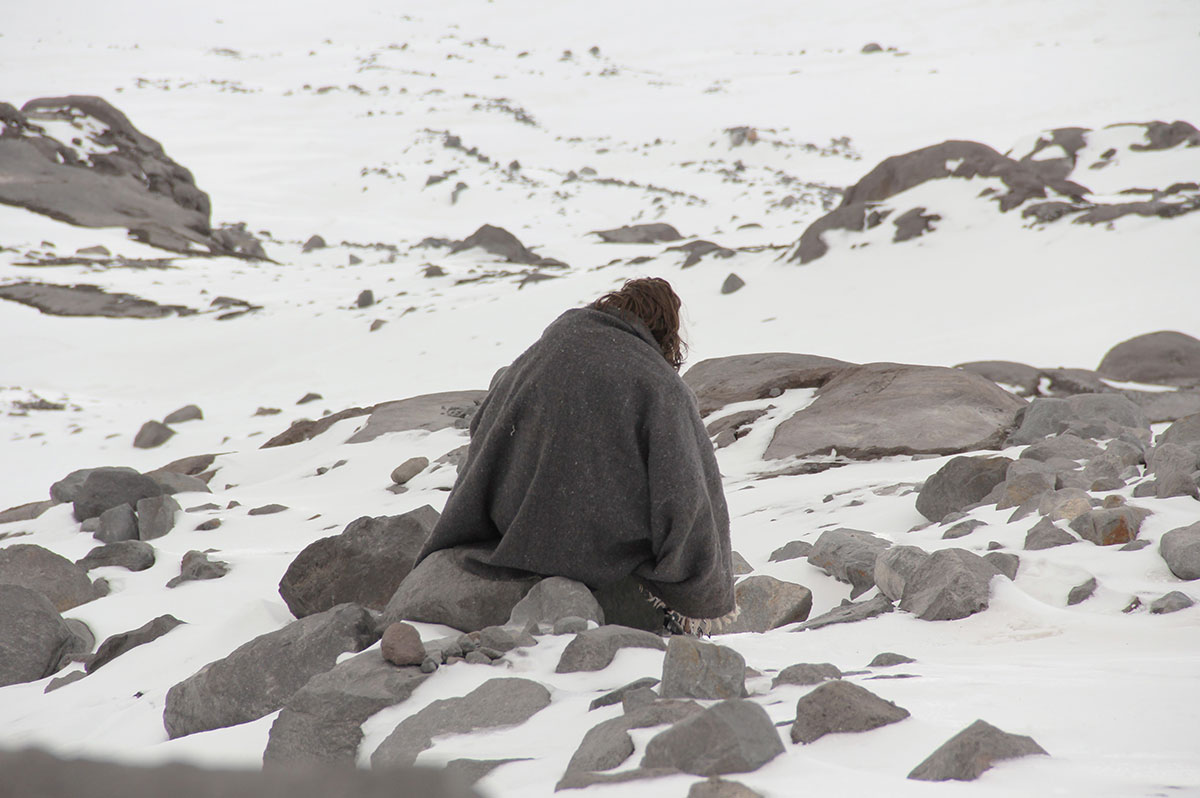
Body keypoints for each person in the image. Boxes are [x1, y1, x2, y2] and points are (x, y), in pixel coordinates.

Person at [414, 277, 735, 632]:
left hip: (512, 525)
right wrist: (699, 583)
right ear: (665, 330)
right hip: (596, 550)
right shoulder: (658, 384)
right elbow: (685, 489)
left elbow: (483, 429)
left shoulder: (549, 348)